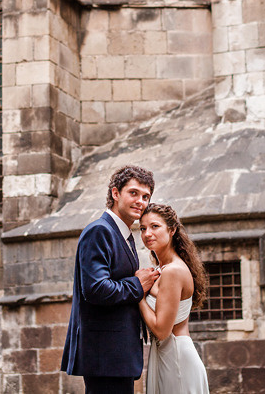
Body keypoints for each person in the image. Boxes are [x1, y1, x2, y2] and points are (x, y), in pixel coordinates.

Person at [61, 165, 161, 393]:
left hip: (118, 355)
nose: (141, 202)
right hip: (104, 355)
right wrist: (138, 284)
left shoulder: (125, 236)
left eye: (146, 196)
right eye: (133, 193)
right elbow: (96, 288)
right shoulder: (99, 231)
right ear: (116, 194)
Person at [138, 203, 210, 394]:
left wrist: (136, 293)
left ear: (172, 230)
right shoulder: (162, 269)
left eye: (155, 226)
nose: (147, 234)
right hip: (165, 355)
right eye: (143, 228)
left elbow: (162, 330)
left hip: (177, 360)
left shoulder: (173, 271)